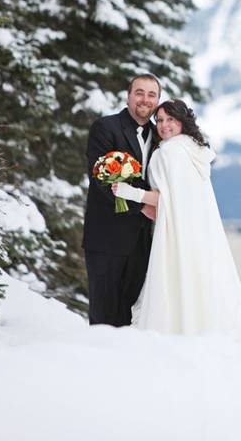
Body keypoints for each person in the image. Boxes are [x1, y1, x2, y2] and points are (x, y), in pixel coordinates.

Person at [112, 99, 241, 336]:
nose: (164, 125)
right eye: (160, 120)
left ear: (183, 122)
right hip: (198, 233)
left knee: (175, 283)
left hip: (177, 235)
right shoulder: (193, 150)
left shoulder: (170, 151)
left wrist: (130, 193)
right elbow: (181, 199)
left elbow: (170, 200)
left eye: (171, 120)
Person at [82, 74, 160, 326]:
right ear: (128, 96)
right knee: (104, 319)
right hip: (107, 239)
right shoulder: (105, 128)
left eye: (151, 95)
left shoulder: (160, 135)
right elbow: (101, 180)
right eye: (139, 92)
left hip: (144, 242)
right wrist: (144, 206)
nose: (145, 100)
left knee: (133, 319)